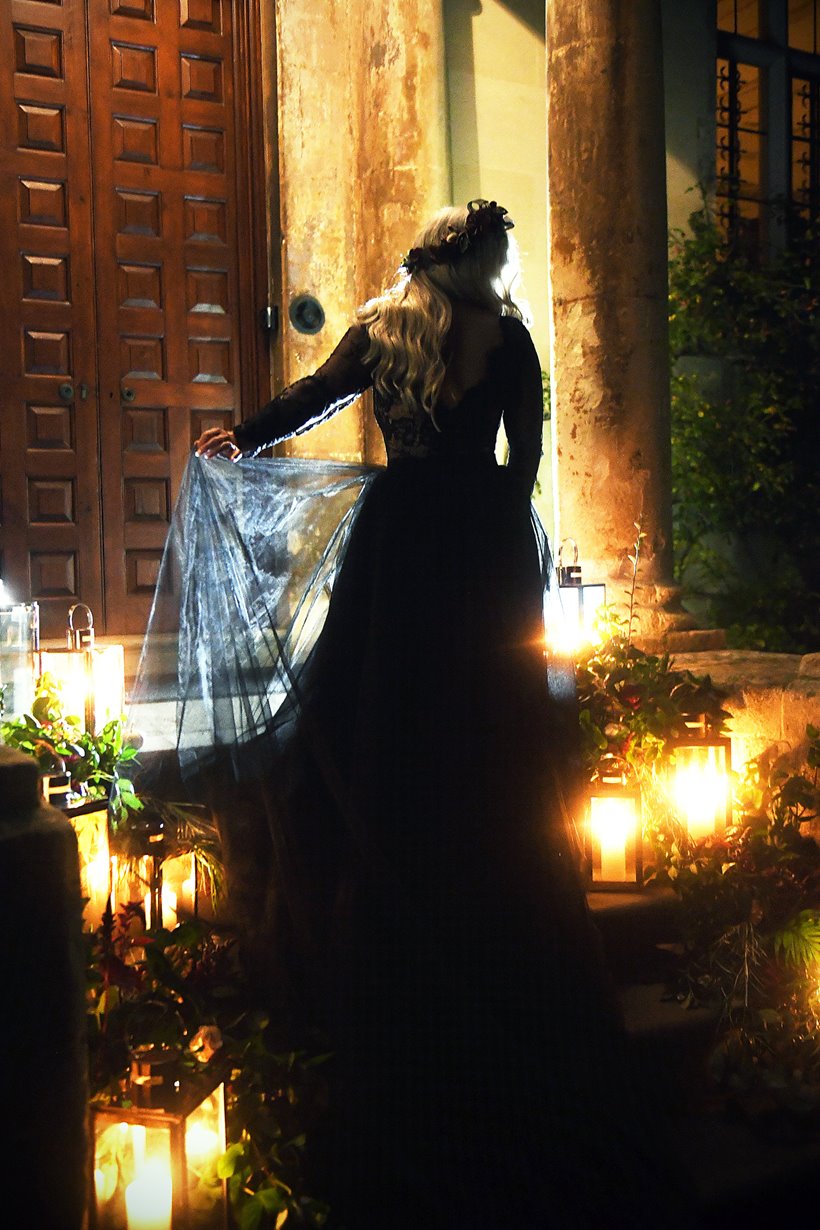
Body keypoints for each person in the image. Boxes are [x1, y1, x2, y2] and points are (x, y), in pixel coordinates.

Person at [188, 200, 695, 1229]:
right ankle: (482, 860)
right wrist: (501, 531)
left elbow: (312, 399)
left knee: (391, 709)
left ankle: (396, 857)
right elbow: (527, 459)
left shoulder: (385, 327)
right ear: (485, 258)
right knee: (486, 724)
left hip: (402, 539)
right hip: (484, 542)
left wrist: (238, 437)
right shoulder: (507, 339)